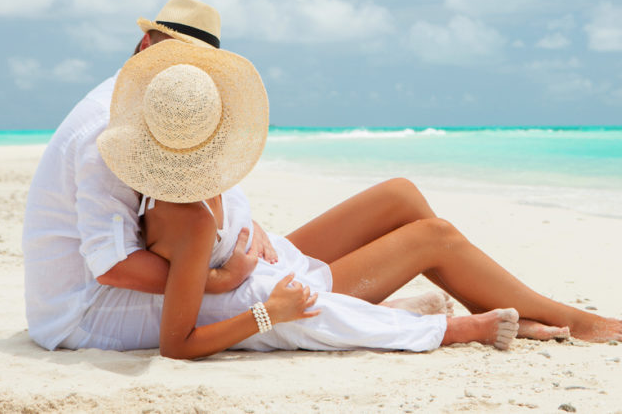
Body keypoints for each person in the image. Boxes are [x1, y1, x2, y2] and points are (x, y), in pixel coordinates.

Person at [22, 0, 622, 352]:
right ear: (144, 50)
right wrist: (224, 275)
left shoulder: (172, 105)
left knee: (401, 195)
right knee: (434, 238)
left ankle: (494, 303)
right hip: (96, 308)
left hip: (200, 258)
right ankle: (561, 319)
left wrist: (244, 224)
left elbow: (193, 179)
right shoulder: (108, 133)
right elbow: (112, 265)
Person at [97, 38, 520, 357]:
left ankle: (409, 308)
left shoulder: (184, 190)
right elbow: (177, 344)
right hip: (255, 298)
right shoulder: (190, 218)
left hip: (264, 276)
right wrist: (270, 313)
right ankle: (454, 330)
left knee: (396, 205)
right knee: (323, 315)